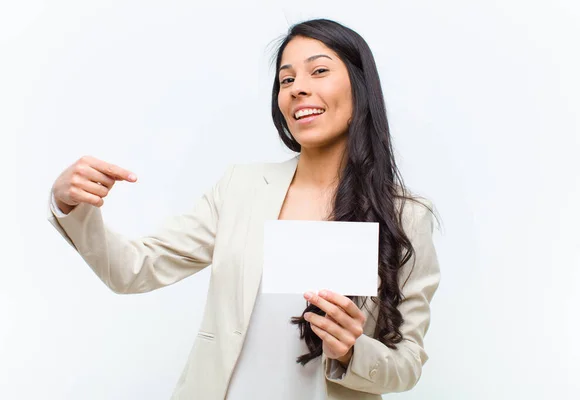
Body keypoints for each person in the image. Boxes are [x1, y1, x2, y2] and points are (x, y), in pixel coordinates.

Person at [48, 18, 440, 400]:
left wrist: (353, 350)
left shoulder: (406, 215)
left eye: (318, 71)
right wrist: (71, 206)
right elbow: (133, 270)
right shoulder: (240, 189)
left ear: (361, 89)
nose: (298, 89)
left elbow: (406, 365)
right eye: (286, 80)